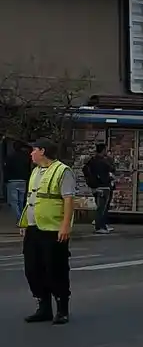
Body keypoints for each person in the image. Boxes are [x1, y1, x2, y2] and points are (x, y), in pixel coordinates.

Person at [19, 138, 75, 325]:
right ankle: (43, 307)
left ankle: (62, 309)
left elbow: (68, 199)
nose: (31, 153)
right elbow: (32, 200)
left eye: (33, 150)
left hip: (53, 229)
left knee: (55, 269)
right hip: (34, 228)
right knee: (32, 269)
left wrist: (65, 225)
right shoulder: (35, 171)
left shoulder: (62, 171)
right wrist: (26, 224)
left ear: (42, 151)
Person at [82, 143, 116, 234]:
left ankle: (102, 225)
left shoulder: (92, 160)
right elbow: (112, 169)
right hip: (104, 186)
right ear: (103, 150)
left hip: (96, 186)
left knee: (101, 207)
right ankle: (100, 226)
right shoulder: (103, 161)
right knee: (102, 208)